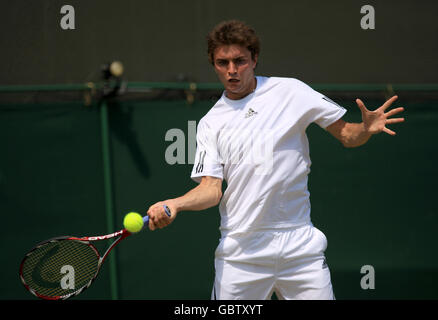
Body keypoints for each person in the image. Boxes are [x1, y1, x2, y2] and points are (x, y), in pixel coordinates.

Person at [147, 20, 405, 300]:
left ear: (255, 58)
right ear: (213, 64)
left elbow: (347, 135)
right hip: (241, 256)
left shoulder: (291, 91)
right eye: (222, 62)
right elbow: (211, 189)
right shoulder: (211, 123)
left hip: (301, 251)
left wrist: (365, 129)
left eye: (240, 61)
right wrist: (175, 203)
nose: (232, 70)